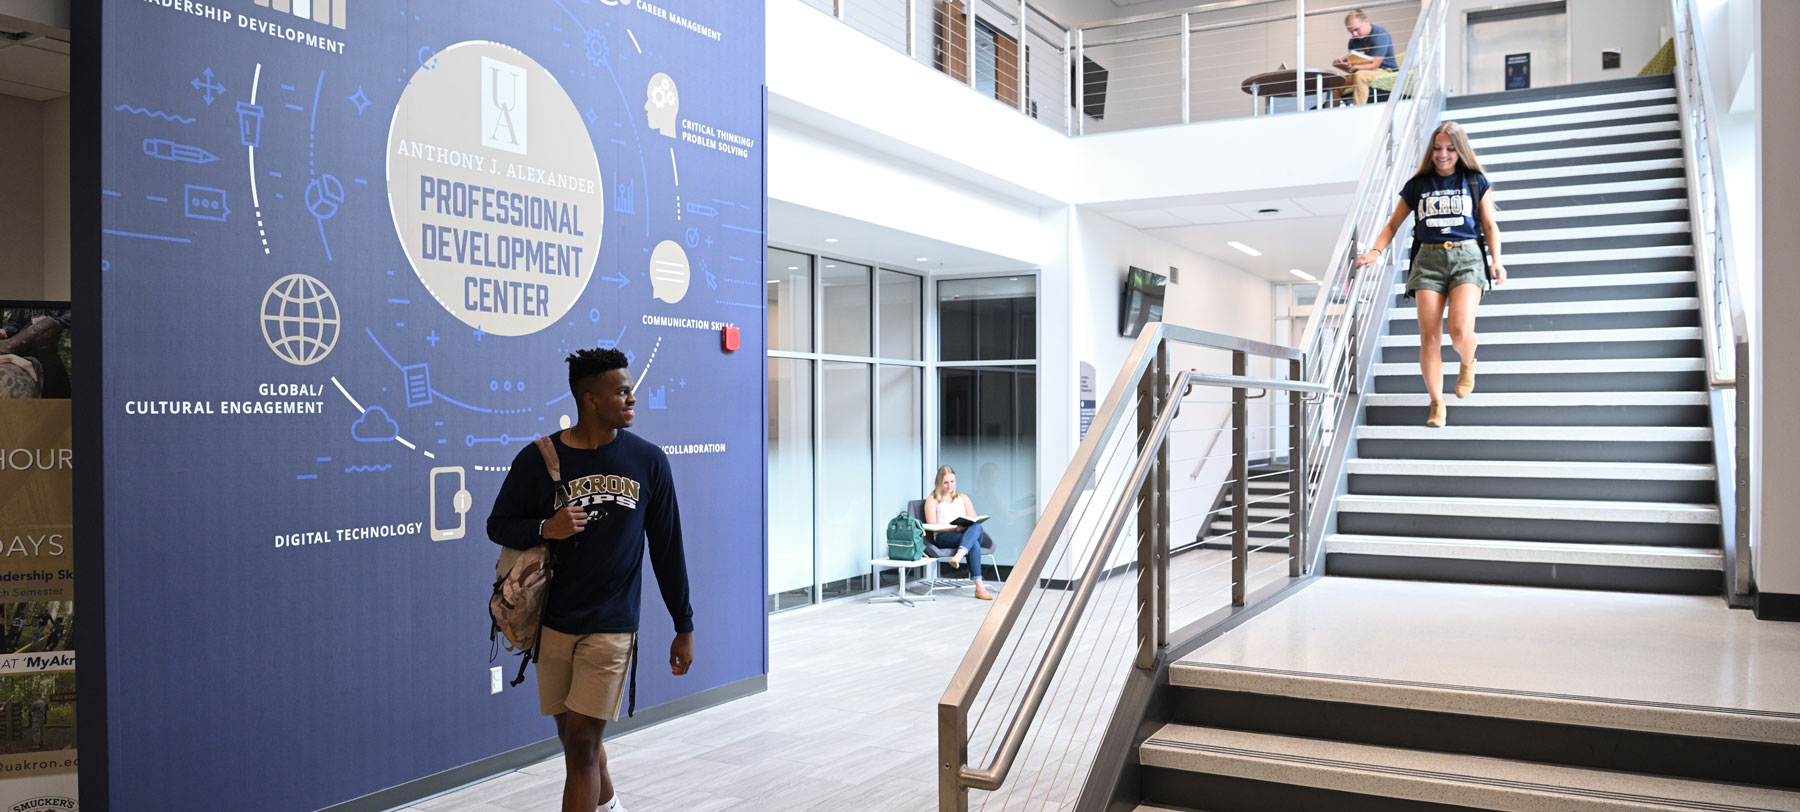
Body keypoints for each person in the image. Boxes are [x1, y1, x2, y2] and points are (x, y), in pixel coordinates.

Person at [487, 348, 694, 812]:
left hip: (612, 624)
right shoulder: (539, 458)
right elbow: (497, 524)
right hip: (552, 623)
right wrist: (546, 527)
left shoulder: (649, 462)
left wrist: (684, 624)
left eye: (631, 390)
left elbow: (667, 548)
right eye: (622, 391)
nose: (632, 398)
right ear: (590, 400)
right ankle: (611, 806)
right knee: (572, 739)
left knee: (581, 744)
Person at [1356, 121, 1506, 428]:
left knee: (1461, 330)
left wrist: (1497, 260)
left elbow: (1490, 225)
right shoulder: (1418, 185)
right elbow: (1392, 225)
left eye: (1450, 148)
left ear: (1460, 150)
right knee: (1430, 337)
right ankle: (1437, 402)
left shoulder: (1474, 180)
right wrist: (1375, 251)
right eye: (1438, 148)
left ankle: (1468, 361)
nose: (1443, 154)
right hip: (1427, 259)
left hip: (1467, 256)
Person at [923, 465, 994, 601]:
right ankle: (979, 587)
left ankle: (960, 553)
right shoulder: (932, 500)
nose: (950, 485)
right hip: (944, 537)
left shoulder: (962, 498)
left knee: (976, 527)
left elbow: (974, 520)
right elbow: (932, 525)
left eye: (952, 481)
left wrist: (965, 526)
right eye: (946, 482)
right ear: (939, 482)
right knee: (973, 545)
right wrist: (955, 528)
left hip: (964, 535)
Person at [0, 309, 70, 399]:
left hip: (48, 353)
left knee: (58, 391)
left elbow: (70, 316)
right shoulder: (23, 302)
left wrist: (50, 323)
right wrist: (7, 332)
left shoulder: (58, 301)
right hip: (21, 354)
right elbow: (14, 325)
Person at [1332, 10, 1398, 106]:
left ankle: (1358, 110)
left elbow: (1374, 65)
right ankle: (1331, 114)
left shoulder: (1380, 34)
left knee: (1360, 76)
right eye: (1350, 32)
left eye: (1356, 29)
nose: (1354, 34)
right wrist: (1343, 65)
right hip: (1364, 72)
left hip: (1385, 70)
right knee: (1336, 83)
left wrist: (1353, 67)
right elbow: (1354, 70)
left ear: (1366, 21)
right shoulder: (1353, 41)